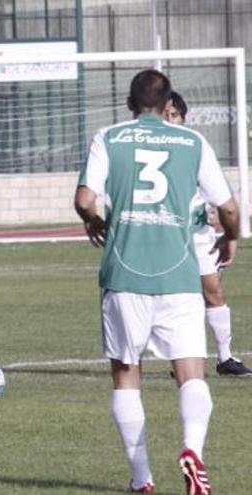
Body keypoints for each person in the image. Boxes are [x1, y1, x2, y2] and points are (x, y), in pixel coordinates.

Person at [75, 70, 238, 494]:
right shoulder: (192, 142)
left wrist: (93, 220)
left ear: (129, 101)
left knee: (127, 375)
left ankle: (142, 479)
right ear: (169, 103)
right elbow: (230, 207)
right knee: (192, 374)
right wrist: (231, 237)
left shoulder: (108, 137)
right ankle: (192, 450)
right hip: (180, 275)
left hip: (125, 273)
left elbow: (84, 199)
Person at [165, 91, 251, 376]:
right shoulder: (149, 149)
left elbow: (216, 192)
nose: (170, 120)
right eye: (165, 114)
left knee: (213, 290)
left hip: (198, 234)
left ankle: (225, 357)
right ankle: (177, 360)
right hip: (163, 236)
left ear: (184, 118)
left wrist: (215, 213)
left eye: (174, 115)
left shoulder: (195, 147)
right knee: (170, 298)